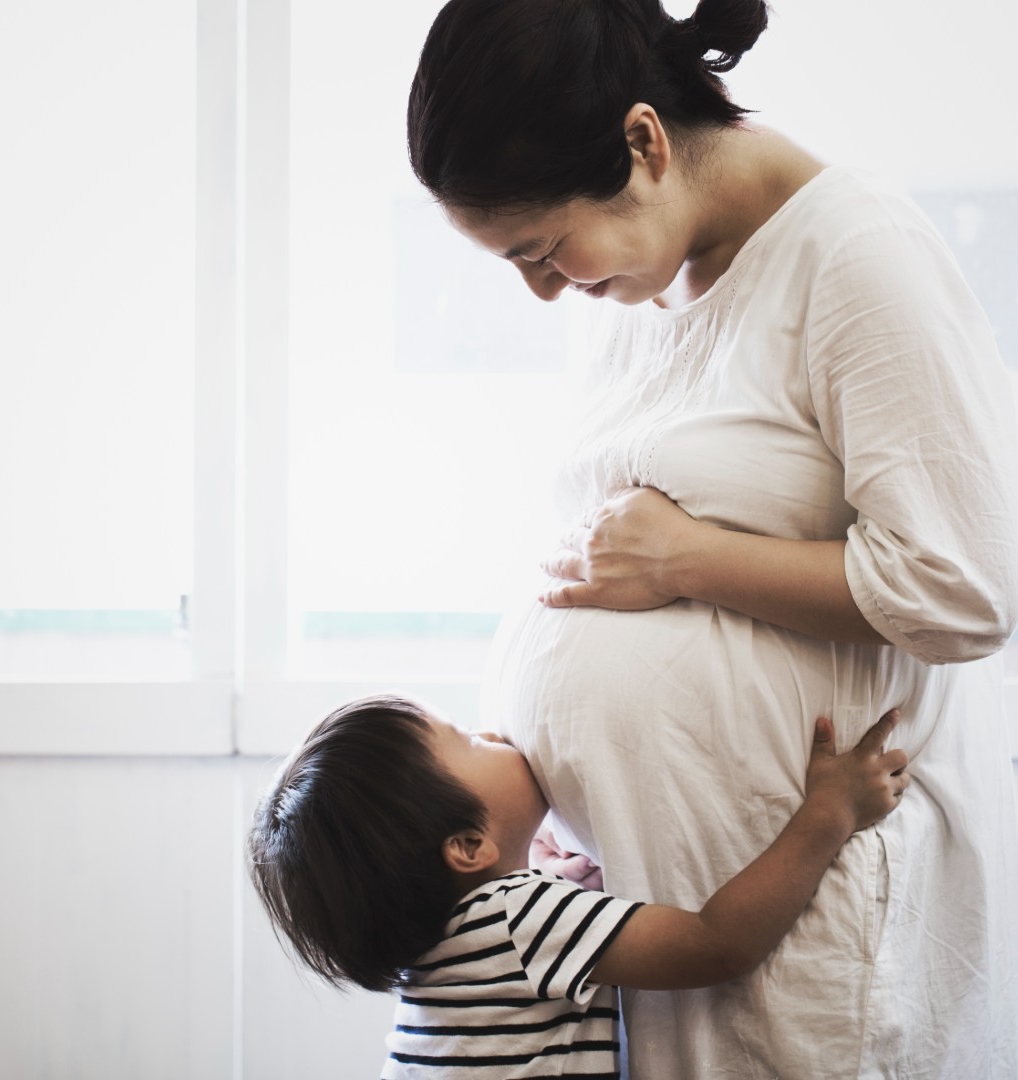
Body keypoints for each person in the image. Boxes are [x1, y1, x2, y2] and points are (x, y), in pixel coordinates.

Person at [407, 0, 1018, 1077]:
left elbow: (963, 588)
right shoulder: (632, 285)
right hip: (651, 915)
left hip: (811, 917)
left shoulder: (855, 256)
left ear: (643, 142)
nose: (544, 289)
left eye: (544, 250)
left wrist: (689, 559)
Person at [247, 694, 909, 1079]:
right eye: (470, 743)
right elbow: (717, 944)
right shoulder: (517, 919)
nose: (496, 734)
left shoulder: (441, 953)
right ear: (469, 847)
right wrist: (830, 813)